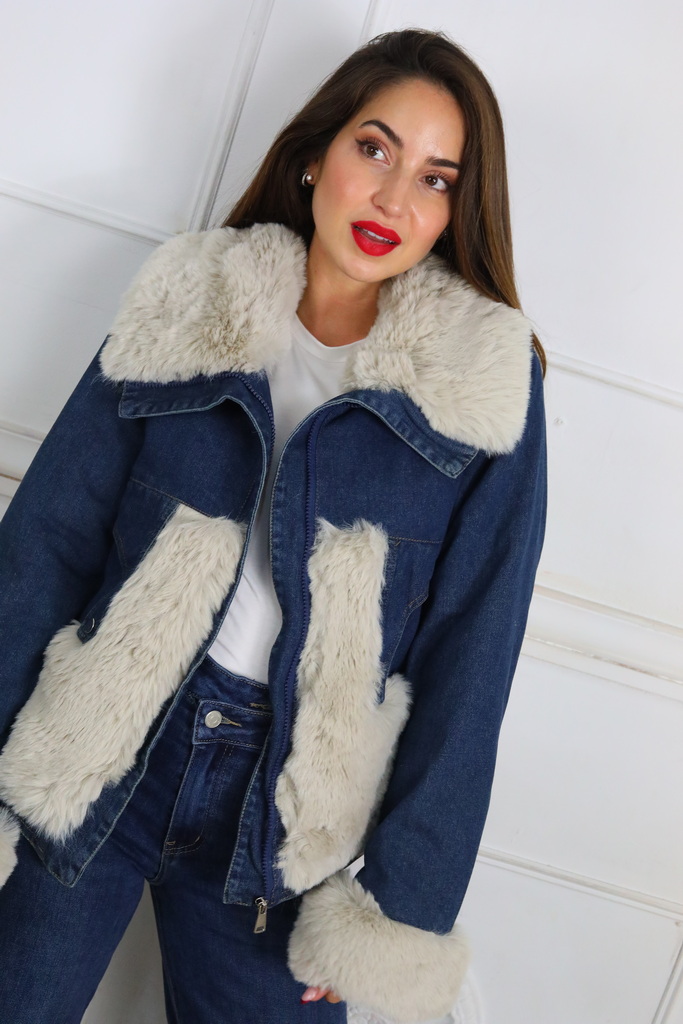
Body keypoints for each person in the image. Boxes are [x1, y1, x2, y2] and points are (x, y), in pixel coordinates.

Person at [0, 26, 547, 1024]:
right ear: (312, 155)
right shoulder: (193, 295)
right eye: (374, 149)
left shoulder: (479, 381)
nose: (392, 199)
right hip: (102, 750)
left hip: (286, 822)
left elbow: (472, 660)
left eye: (434, 179)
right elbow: (51, 537)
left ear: (453, 211)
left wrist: (397, 908)